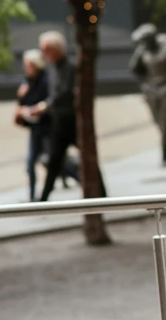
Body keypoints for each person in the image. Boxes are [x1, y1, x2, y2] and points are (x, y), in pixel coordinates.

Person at [32, 30, 105, 202]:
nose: (44, 55)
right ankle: (43, 199)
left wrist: (45, 106)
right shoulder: (54, 69)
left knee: (88, 157)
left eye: (46, 50)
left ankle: (102, 193)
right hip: (59, 124)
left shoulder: (71, 66)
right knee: (54, 161)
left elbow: (65, 93)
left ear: (56, 49)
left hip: (73, 122)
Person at [14, 49, 78, 201]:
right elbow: (24, 103)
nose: (26, 68)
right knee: (33, 163)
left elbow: (55, 97)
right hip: (36, 129)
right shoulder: (28, 82)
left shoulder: (47, 79)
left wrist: (39, 107)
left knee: (55, 162)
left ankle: (83, 182)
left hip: (50, 127)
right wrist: (21, 98)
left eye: (28, 65)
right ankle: (34, 198)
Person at [129, 23, 166, 167]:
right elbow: (134, 69)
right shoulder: (143, 50)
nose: (144, 43)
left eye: (146, 40)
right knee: (162, 124)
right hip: (152, 92)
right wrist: (145, 85)